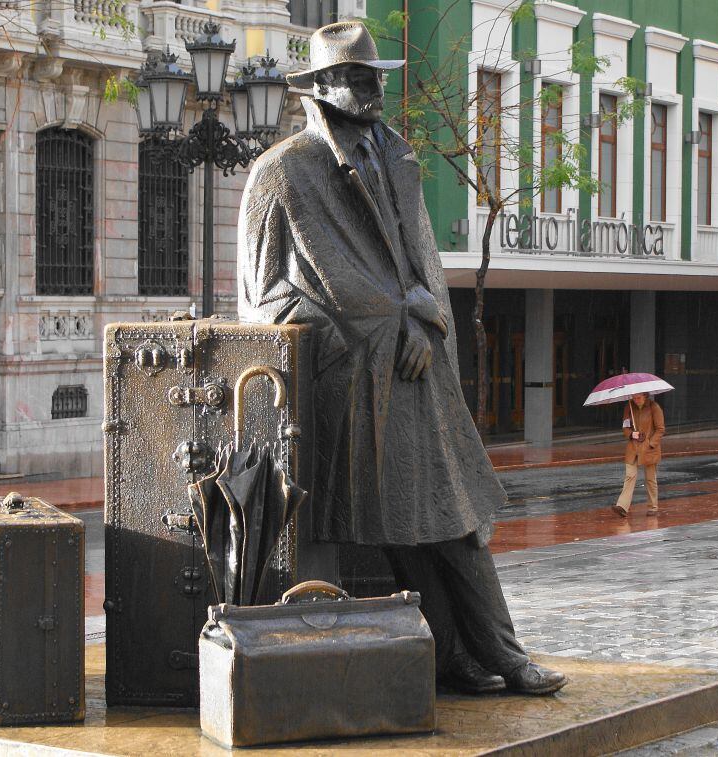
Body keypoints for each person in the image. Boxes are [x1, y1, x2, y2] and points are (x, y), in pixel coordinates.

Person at [237, 21, 565, 696]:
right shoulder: (282, 172)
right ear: (323, 88)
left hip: (417, 370)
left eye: (374, 74)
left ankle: (487, 654)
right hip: (350, 384)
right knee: (412, 531)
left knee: (450, 521)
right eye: (357, 77)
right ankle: (475, 656)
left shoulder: (400, 158)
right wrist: (351, 334)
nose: (373, 87)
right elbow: (259, 299)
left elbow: (426, 263)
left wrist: (425, 315)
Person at [612, 392, 665, 517]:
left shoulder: (654, 407)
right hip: (633, 448)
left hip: (649, 449)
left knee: (650, 478)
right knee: (630, 476)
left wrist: (651, 443)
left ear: (645, 396)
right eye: (634, 398)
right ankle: (623, 506)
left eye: (639, 398)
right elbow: (625, 427)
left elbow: (660, 429)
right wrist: (631, 434)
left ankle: (653, 507)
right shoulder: (629, 407)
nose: (636, 400)